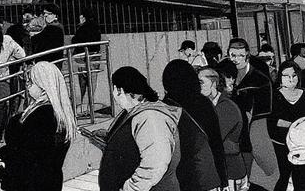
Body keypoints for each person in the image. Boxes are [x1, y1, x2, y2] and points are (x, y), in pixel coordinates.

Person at [0, 61, 75, 191]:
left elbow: (26, 158)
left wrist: (0, 160)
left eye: (30, 82)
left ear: (43, 85)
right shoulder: (60, 114)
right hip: (49, 182)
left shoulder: (41, 116)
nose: (27, 86)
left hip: (31, 183)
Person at [98, 66, 181, 191]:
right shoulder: (136, 112)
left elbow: (156, 163)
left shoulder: (150, 116)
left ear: (119, 89)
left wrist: (130, 188)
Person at [162, 59, 227, 191]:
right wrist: (223, 178)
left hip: (180, 177)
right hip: (207, 176)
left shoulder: (166, 107)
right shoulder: (204, 103)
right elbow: (216, 143)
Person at [267, 60, 305, 191]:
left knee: (304, 179)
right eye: (286, 75)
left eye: (294, 75)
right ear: (280, 77)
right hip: (281, 146)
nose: (291, 79)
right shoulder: (273, 96)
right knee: (283, 179)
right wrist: (296, 125)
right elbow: (272, 121)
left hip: (303, 146)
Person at [228, 38, 274, 187]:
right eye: (233, 55)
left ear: (247, 55)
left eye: (240, 55)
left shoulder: (260, 80)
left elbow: (265, 114)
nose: (236, 59)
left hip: (250, 138)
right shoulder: (224, 72)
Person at [198, 67, 249, 191]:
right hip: (221, 172)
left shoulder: (226, 107)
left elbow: (212, 139)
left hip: (230, 172)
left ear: (214, 83)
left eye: (201, 82)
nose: (198, 87)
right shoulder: (209, 105)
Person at [72, 8, 102, 111]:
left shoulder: (82, 28)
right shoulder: (96, 27)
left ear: (83, 18)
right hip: (94, 57)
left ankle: (83, 108)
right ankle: (90, 107)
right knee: (92, 83)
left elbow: (75, 41)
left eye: (80, 17)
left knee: (82, 83)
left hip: (82, 58)